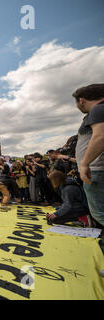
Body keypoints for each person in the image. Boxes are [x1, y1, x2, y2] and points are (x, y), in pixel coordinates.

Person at [72, 84, 104, 227]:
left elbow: (100, 136)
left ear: (82, 100)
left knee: (99, 212)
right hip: (97, 169)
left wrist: (85, 163)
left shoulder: (98, 109)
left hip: (96, 169)